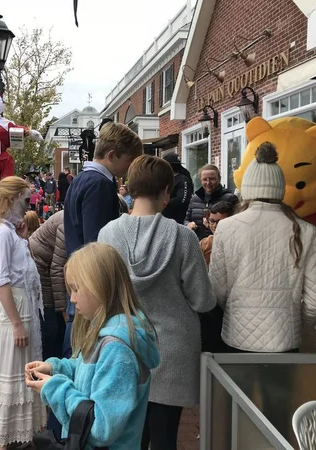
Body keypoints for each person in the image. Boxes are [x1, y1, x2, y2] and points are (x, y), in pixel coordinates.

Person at [98, 155, 216, 450]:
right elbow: (202, 300)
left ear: (129, 187)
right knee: (165, 438)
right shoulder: (182, 238)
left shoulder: (107, 235)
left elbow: (101, 295)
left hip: (124, 345)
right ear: (166, 190)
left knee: (128, 438)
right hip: (173, 350)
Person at [25, 243, 160, 450]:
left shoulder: (117, 349)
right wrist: (55, 368)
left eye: (76, 289)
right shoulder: (107, 333)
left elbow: (101, 429)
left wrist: (55, 388)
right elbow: (84, 371)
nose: (72, 298)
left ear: (100, 286)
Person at [210, 142, 316, 352]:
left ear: (248, 187)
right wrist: (292, 317)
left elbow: (216, 291)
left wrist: (238, 311)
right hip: (285, 341)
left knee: (233, 387)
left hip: (237, 338)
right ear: (280, 188)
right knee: (281, 387)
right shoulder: (305, 230)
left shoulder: (226, 227)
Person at [0, 176, 45, 450]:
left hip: (13, 307)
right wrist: (17, 323)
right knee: (14, 371)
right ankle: (4, 438)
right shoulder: (2, 232)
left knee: (15, 372)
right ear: (12, 198)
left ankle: (11, 435)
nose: (28, 206)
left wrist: (21, 238)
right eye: (25, 200)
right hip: (11, 311)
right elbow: (1, 280)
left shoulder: (6, 230)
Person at [63, 122, 143, 355]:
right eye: (128, 161)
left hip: (79, 272)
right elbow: (96, 243)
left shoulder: (81, 179)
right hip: (92, 280)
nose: (129, 168)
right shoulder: (100, 184)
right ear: (112, 155)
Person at [28, 210, 68, 360]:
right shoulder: (66, 224)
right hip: (41, 267)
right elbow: (57, 270)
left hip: (48, 265)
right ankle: (47, 365)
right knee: (50, 322)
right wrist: (64, 311)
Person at [185, 164, 238, 240]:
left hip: (220, 244)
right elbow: (186, 220)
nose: (208, 182)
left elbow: (236, 225)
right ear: (201, 180)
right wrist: (188, 225)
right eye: (204, 179)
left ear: (219, 179)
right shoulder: (195, 198)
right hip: (197, 244)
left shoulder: (230, 198)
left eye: (212, 179)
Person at [200, 201, 236, 267]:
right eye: (212, 221)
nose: (215, 226)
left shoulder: (237, 244)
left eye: (220, 222)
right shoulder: (205, 243)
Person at [161, 153, 194, 224]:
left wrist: (162, 203)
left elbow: (182, 199)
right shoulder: (165, 179)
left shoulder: (183, 179)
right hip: (164, 217)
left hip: (177, 219)